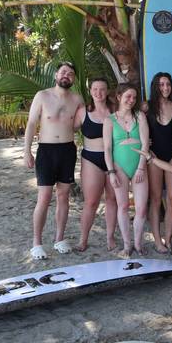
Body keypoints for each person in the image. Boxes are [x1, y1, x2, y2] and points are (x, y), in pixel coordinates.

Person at [24, 62, 84, 260]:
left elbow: (78, 125)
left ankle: (59, 239)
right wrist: (27, 151)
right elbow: (32, 123)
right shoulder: (42, 95)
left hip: (67, 150)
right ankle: (36, 243)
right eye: (63, 72)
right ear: (56, 75)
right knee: (44, 196)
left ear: (73, 79)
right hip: (46, 151)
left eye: (70, 73)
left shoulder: (77, 99)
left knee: (64, 196)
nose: (66, 75)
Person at [103, 83, 150, 257]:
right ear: (119, 97)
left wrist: (140, 168)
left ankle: (138, 243)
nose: (131, 100)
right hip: (119, 166)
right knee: (122, 206)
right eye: (128, 96)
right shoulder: (109, 120)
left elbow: (145, 143)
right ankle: (126, 245)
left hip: (139, 165)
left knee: (141, 208)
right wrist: (111, 172)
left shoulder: (140, 116)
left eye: (134, 97)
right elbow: (107, 149)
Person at [74, 77, 117, 252]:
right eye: (95, 89)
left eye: (102, 89)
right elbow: (66, 130)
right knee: (91, 202)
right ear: (90, 91)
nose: (99, 93)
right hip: (91, 159)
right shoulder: (82, 112)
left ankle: (110, 237)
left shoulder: (115, 110)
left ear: (107, 91)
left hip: (114, 159)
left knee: (112, 199)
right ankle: (83, 239)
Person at [145, 73, 172, 253]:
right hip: (154, 157)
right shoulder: (146, 107)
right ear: (155, 86)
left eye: (168, 84)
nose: (165, 88)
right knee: (155, 199)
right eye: (161, 85)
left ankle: (168, 238)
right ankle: (157, 240)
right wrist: (143, 143)